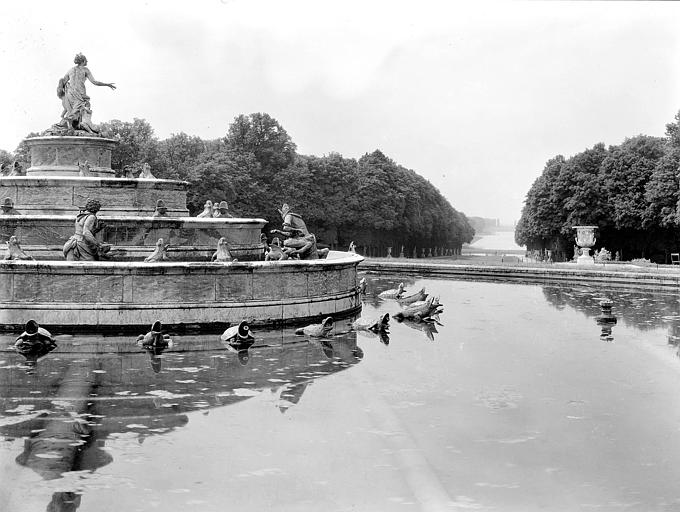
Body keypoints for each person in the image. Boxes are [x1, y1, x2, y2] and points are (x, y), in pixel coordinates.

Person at [54, 53, 116, 133]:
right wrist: (107, 84)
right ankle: (74, 125)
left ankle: (71, 125)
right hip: (80, 93)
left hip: (70, 93)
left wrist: (63, 93)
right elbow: (94, 82)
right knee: (81, 109)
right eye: (86, 60)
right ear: (83, 61)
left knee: (74, 110)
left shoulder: (70, 70)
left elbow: (63, 82)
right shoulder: (85, 69)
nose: (87, 61)